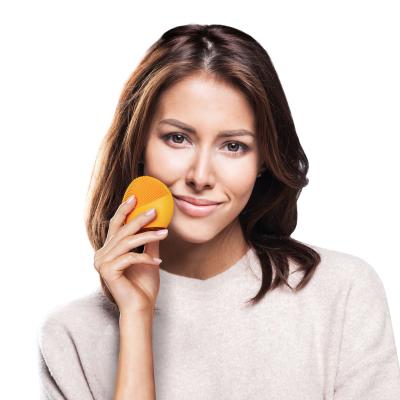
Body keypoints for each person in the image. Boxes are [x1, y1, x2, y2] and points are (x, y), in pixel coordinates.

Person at [37, 24, 400, 399]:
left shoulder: (342, 293)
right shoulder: (70, 337)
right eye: (178, 138)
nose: (200, 176)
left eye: (233, 146)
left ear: (264, 159)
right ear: (139, 144)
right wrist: (136, 319)